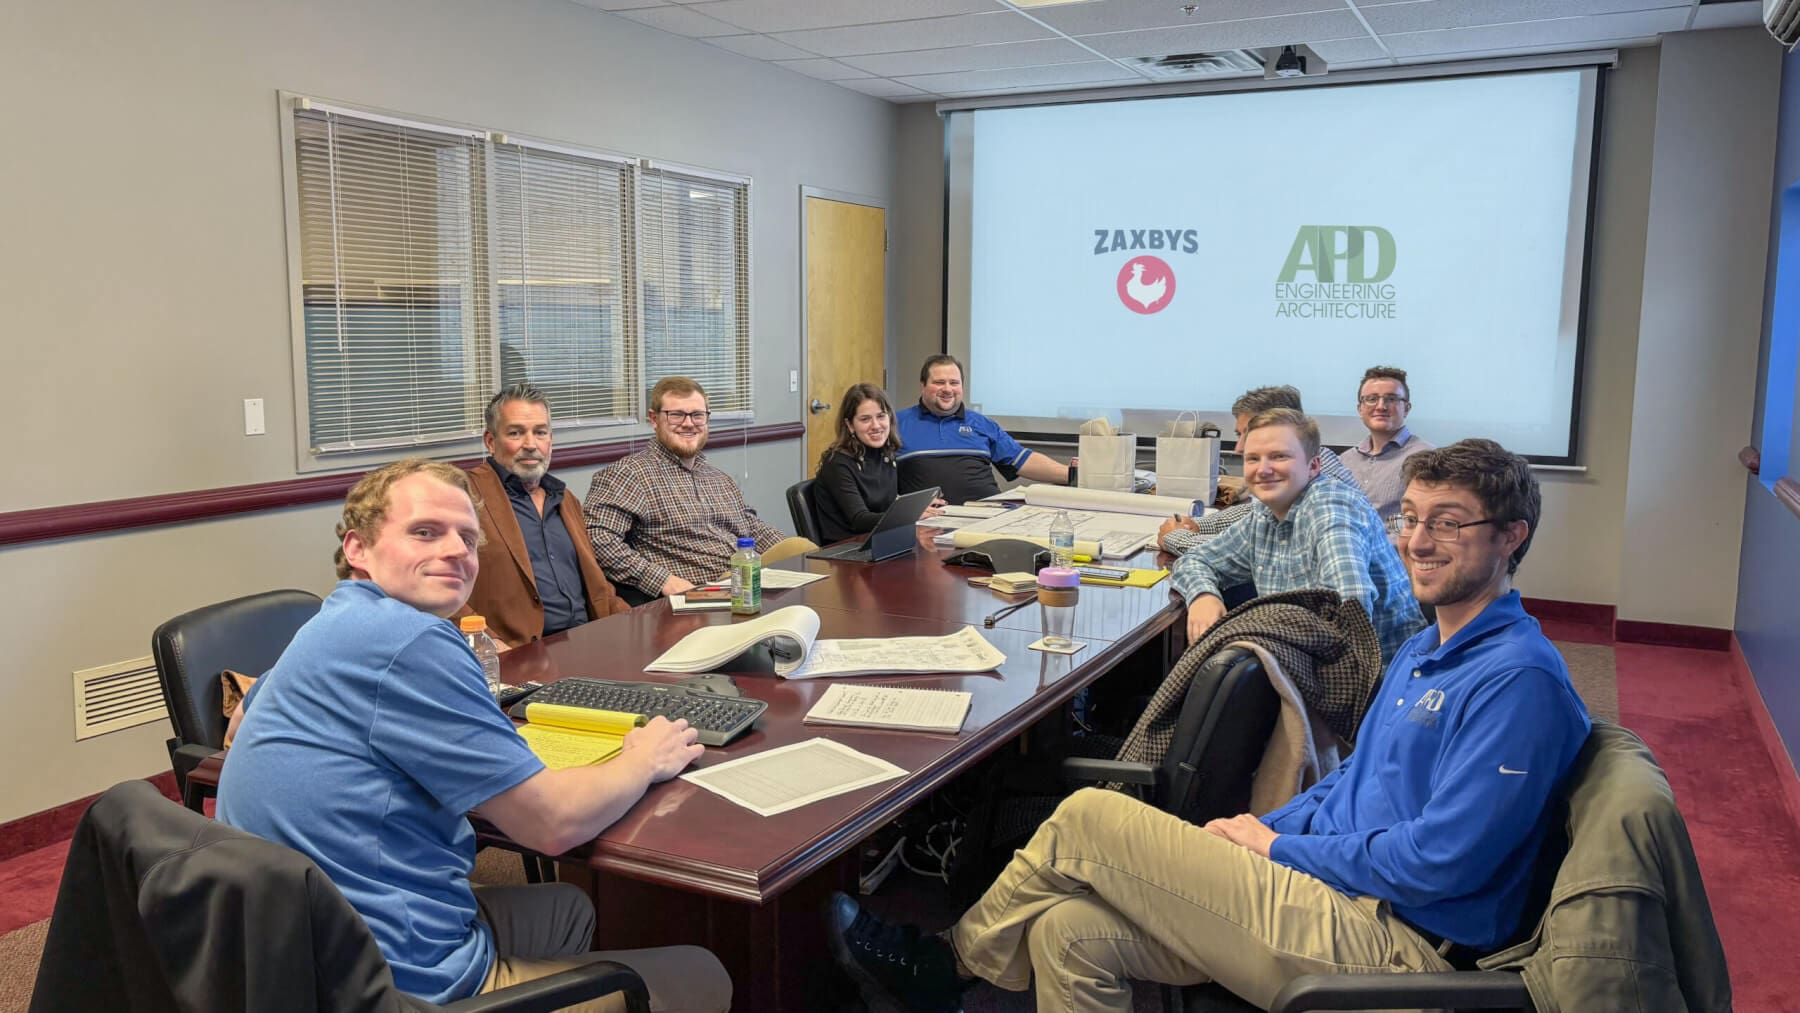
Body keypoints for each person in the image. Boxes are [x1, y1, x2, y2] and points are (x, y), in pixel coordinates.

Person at [826, 438, 1591, 1013]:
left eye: (1449, 524)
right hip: (1330, 887)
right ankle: (949, 970)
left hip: (1398, 945)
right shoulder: (1428, 647)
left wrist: (1283, 847)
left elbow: (1443, 865)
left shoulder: (1518, 680)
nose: (1418, 541)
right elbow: (1356, 782)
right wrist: (1258, 831)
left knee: (1090, 816)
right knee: (1065, 930)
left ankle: (946, 964)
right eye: (1413, 518)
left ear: (1511, 536)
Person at [217, 459, 730, 1012]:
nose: (456, 551)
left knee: (568, 909)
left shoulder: (333, 619)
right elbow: (552, 825)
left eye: (467, 537)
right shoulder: (408, 638)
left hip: (298, 949)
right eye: (424, 532)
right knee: (706, 973)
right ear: (358, 549)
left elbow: (242, 719)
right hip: (392, 982)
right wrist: (642, 758)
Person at [1172, 408, 1423, 663]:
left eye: (1279, 456)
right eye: (1253, 459)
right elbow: (1194, 561)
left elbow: (1351, 608)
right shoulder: (1265, 515)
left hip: (1374, 682)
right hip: (1300, 665)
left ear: (1313, 466)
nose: (1263, 469)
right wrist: (1203, 595)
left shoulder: (1330, 510)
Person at [583, 376, 793, 603]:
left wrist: (797, 556)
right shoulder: (629, 474)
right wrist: (663, 580)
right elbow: (598, 539)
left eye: (697, 415)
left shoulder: (718, 478)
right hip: (698, 601)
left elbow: (751, 526)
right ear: (654, 419)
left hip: (748, 588)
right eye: (676, 415)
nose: (688, 423)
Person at [458, 383, 627, 645]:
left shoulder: (564, 499)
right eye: (515, 433)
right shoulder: (465, 496)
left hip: (588, 641)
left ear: (550, 440)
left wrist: (638, 626)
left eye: (540, 432)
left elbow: (598, 588)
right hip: (519, 653)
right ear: (490, 442)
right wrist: (487, 646)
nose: (530, 444)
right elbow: (439, 591)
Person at [1157, 385, 1361, 555]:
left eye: (1248, 433)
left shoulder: (1326, 492)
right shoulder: (1305, 467)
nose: (1238, 447)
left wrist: (1178, 537)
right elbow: (1254, 513)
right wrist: (1199, 526)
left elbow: (1258, 551)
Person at [895, 354, 1072, 504]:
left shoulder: (982, 424)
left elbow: (1023, 461)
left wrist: (1073, 475)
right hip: (929, 522)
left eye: (954, 383)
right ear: (923, 386)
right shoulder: (896, 424)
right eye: (939, 382)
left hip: (986, 517)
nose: (948, 389)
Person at [814, 383, 943, 544]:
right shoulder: (837, 463)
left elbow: (886, 504)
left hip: (881, 541)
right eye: (865, 419)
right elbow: (859, 520)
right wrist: (909, 513)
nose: (876, 426)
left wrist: (915, 505)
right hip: (847, 550)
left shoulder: (885, 453)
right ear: (850, 425)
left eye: (881, 416)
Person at [1342, 365, 1435, 526]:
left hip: (1393, 550)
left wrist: (1375, 542)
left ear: (1406, 408)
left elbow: (1419, 521)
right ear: (1360, 409)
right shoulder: (1344, 461)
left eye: (1391, 399)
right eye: (1371, 399)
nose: (1380, 406)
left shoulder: (1427, 458)